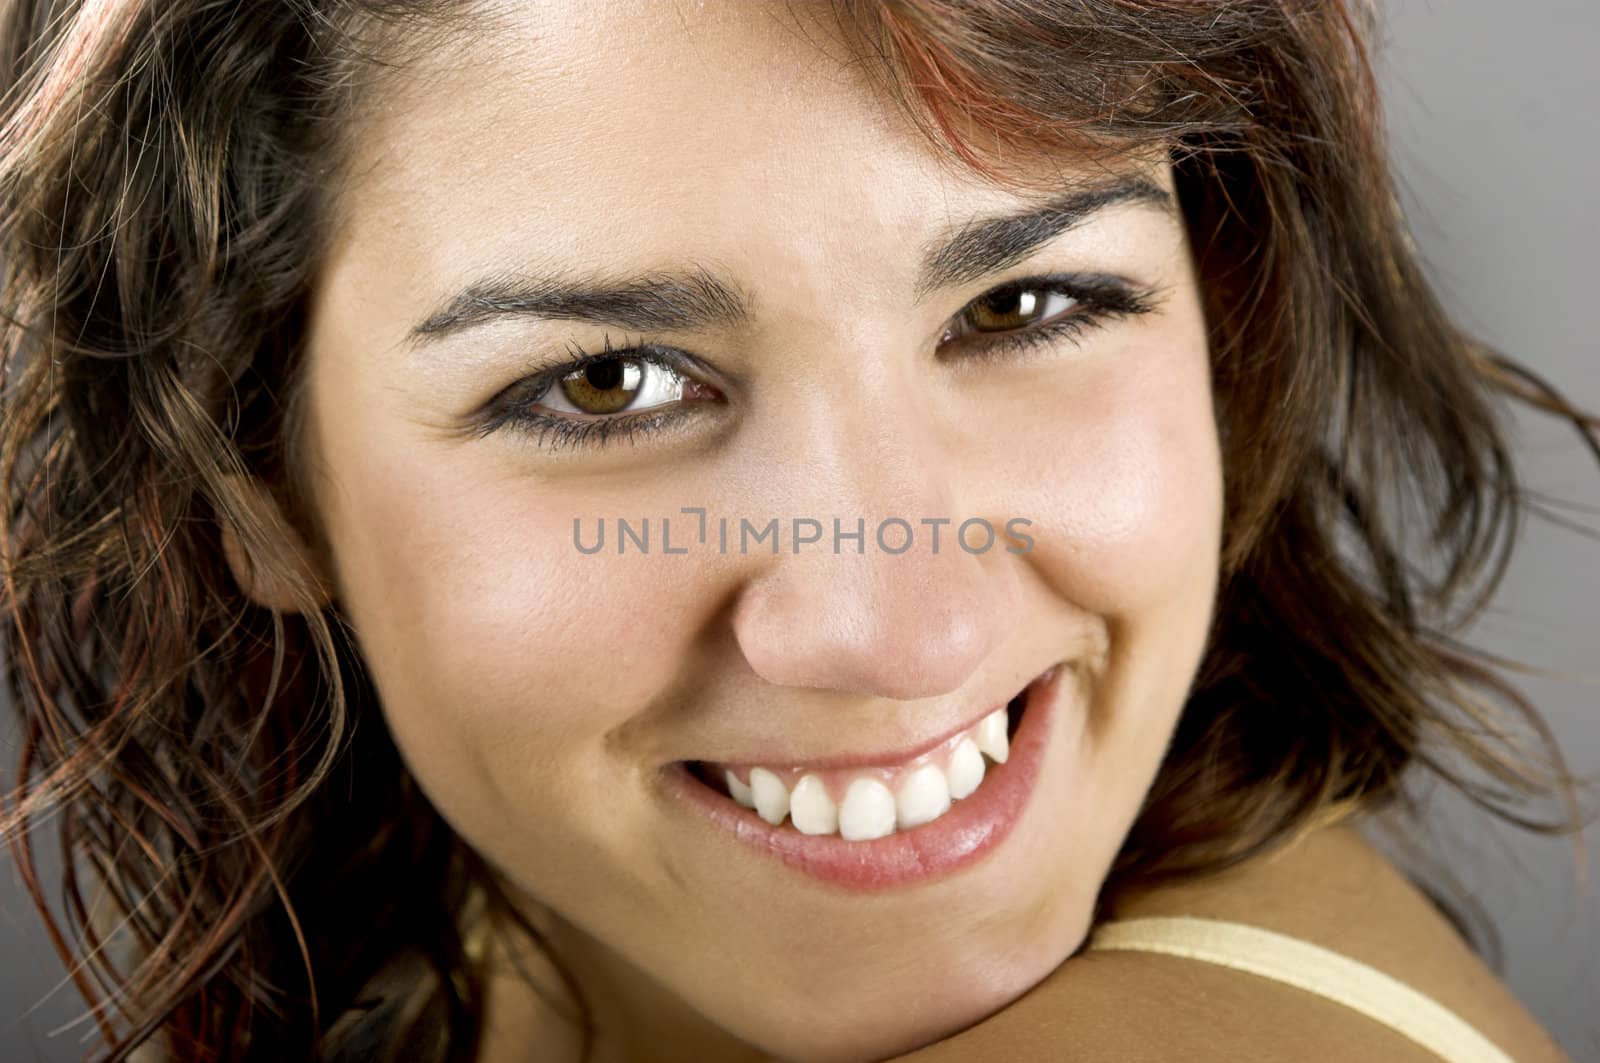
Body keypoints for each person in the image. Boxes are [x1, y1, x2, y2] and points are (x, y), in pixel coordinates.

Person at [0, 1, 1593, 1061]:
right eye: (609, 385)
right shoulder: (499, 933)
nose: (905, 631)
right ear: (251, 491)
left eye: (1026, 303)